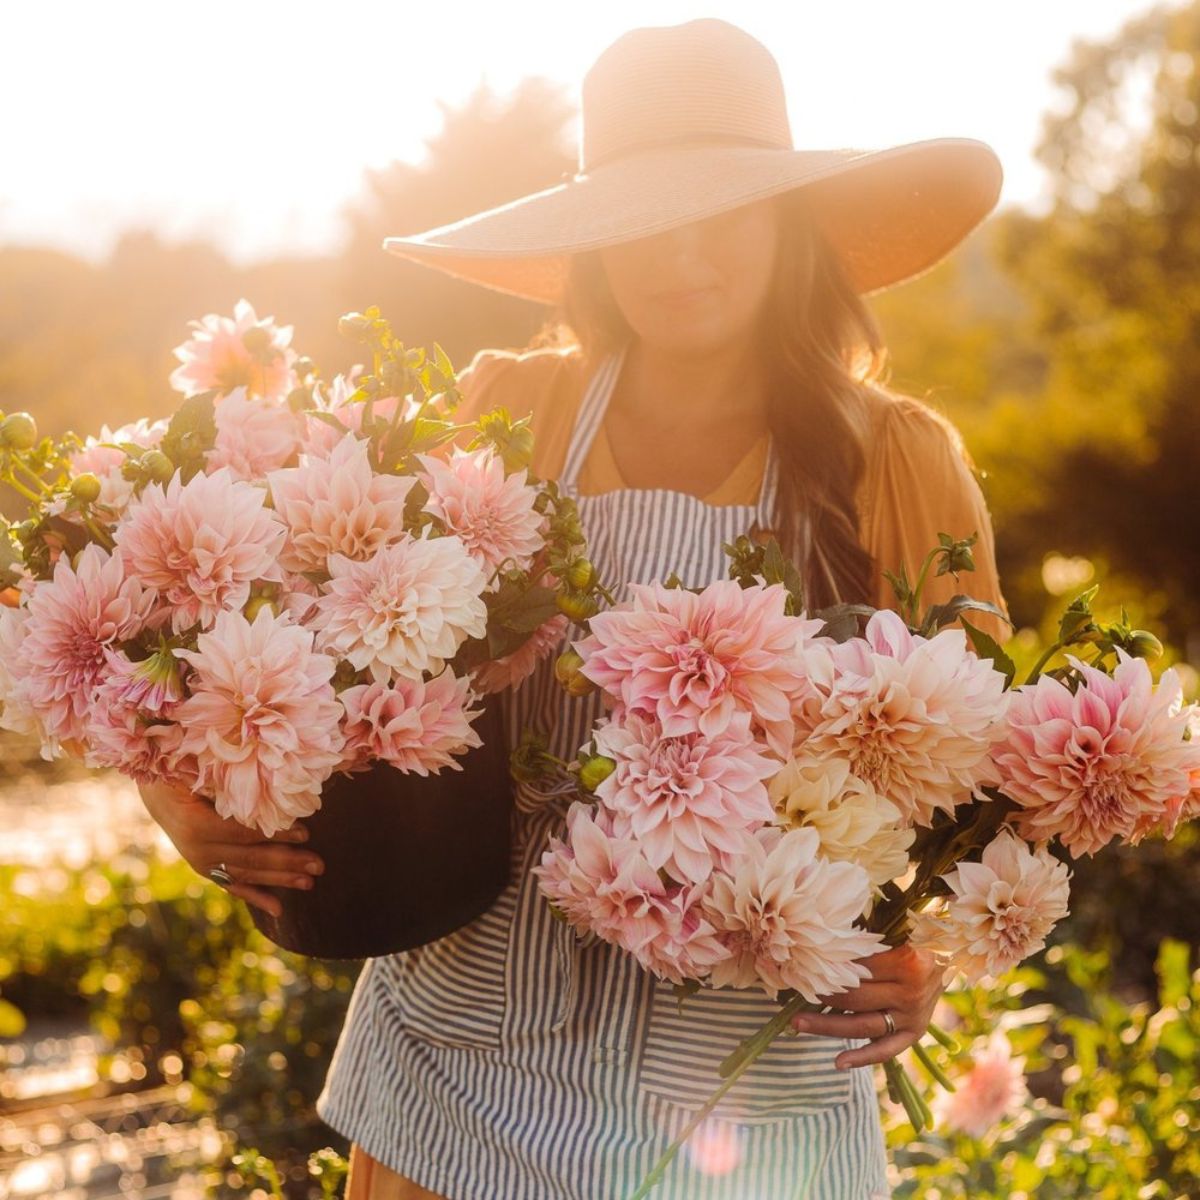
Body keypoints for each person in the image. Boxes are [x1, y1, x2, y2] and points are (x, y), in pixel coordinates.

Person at [139, 18, 1010, 1200]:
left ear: (788, 226)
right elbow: (247, 608)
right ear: (597, 237)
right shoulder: (507, 408)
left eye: (723, 213)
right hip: (461, 1047)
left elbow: (980, 771)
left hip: (740, 1091)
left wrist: (927, 964)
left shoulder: (896, 457)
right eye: (648, 217)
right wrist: (183, 806)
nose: (683, 255)